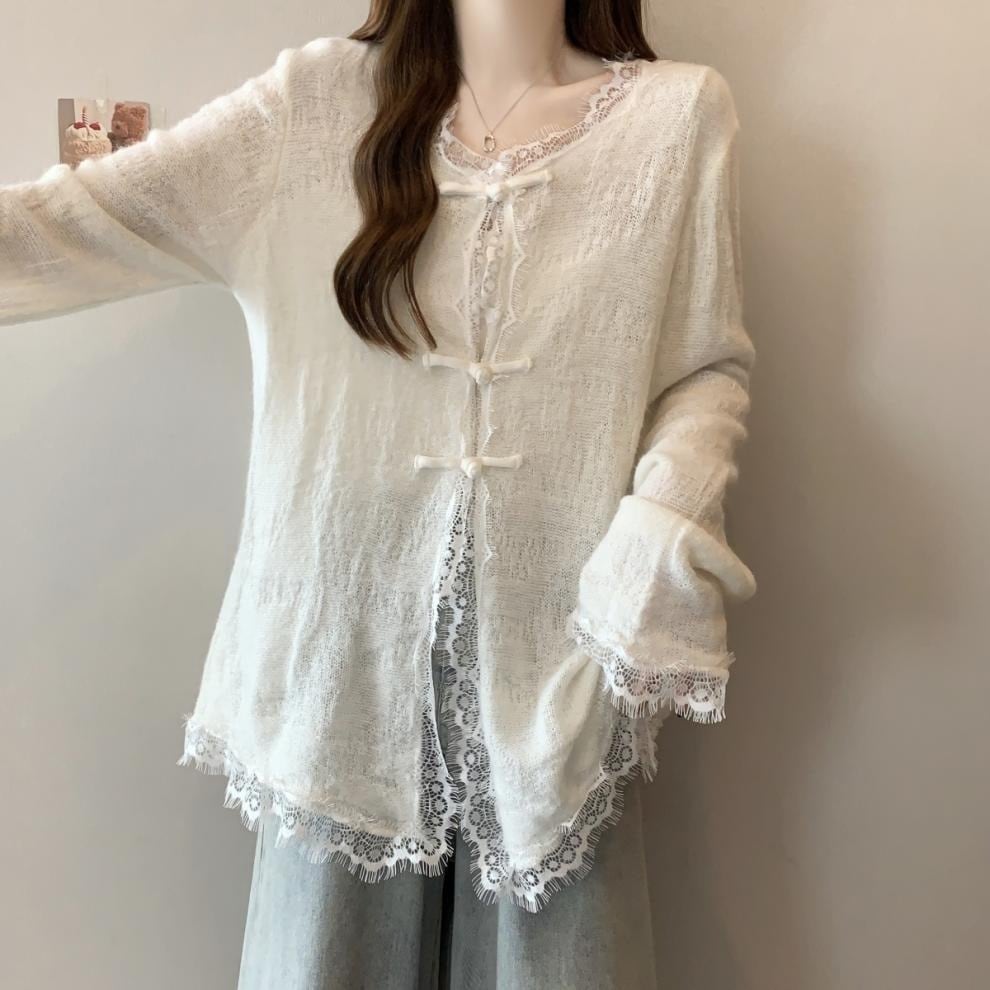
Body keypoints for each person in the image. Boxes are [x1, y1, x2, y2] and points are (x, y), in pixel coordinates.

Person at [0, 2, 758, 986]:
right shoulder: (310, 106)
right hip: (340, 689)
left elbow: (704, 366)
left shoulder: (676, 118)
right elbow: (75, 220)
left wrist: (660, 528)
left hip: (558, 678)